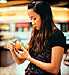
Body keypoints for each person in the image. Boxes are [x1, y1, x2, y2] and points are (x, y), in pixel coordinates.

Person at [7, 1, 66, 75]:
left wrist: (29, 58)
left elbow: (54, 69)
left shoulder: (57, 35)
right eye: (30, 19)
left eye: (34, 18)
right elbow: (20, 61)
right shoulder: (36, 33)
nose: (32, 22)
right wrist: (12, 50)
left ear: (45, 17)